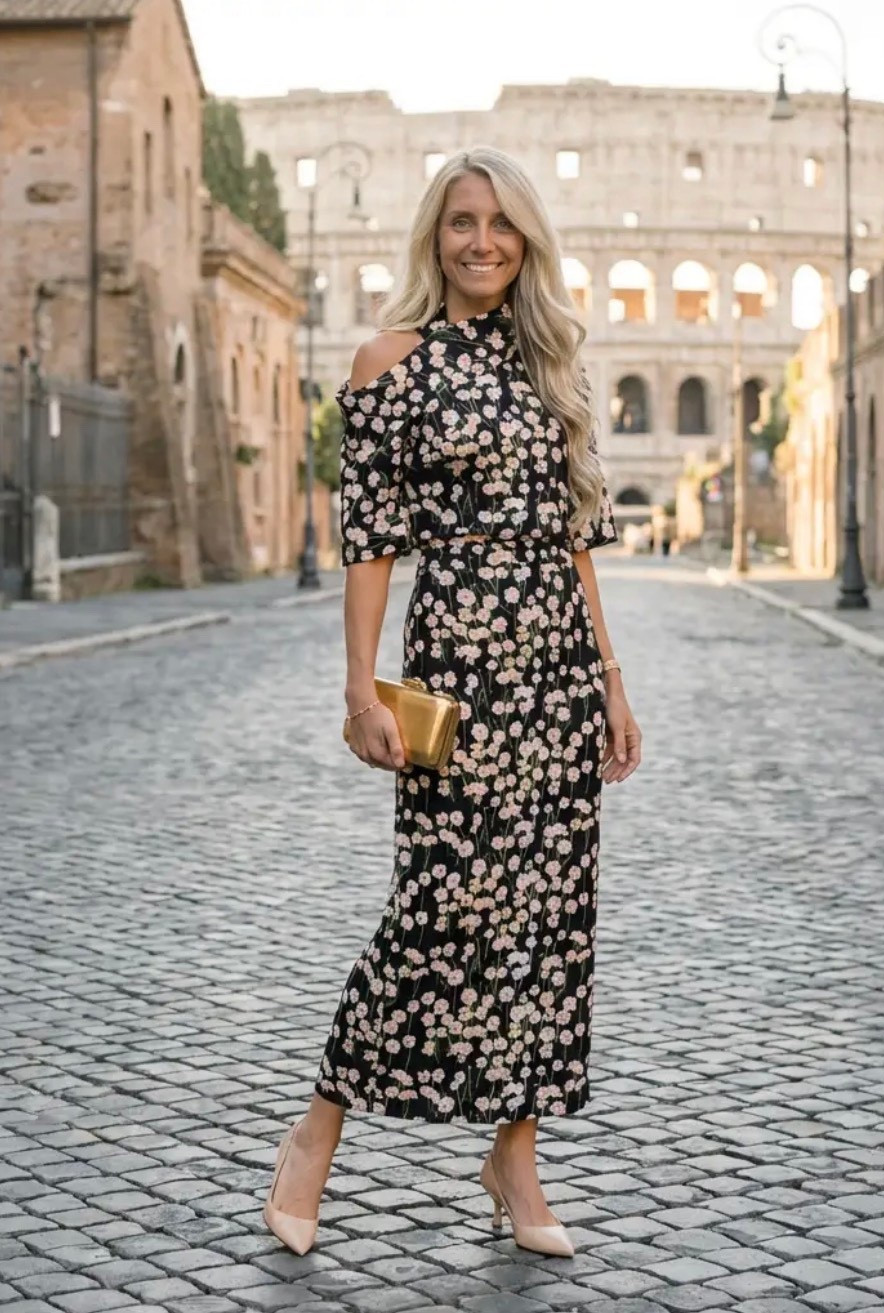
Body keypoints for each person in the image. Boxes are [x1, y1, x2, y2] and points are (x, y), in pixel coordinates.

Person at [263, 146, 642, 1260]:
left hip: (559, 679)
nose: (483, 241)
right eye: (462, 222)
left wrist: (612, 680)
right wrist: (360, 683)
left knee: (548, 926)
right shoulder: (391, 361)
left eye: (503, 224)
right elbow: (371, 541)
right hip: (460, 672)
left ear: (529, 240)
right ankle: (314, 1135)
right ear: (434, 236)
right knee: (437, 909)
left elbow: (578, 542)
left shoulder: (554, 365)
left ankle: (514, 1158)